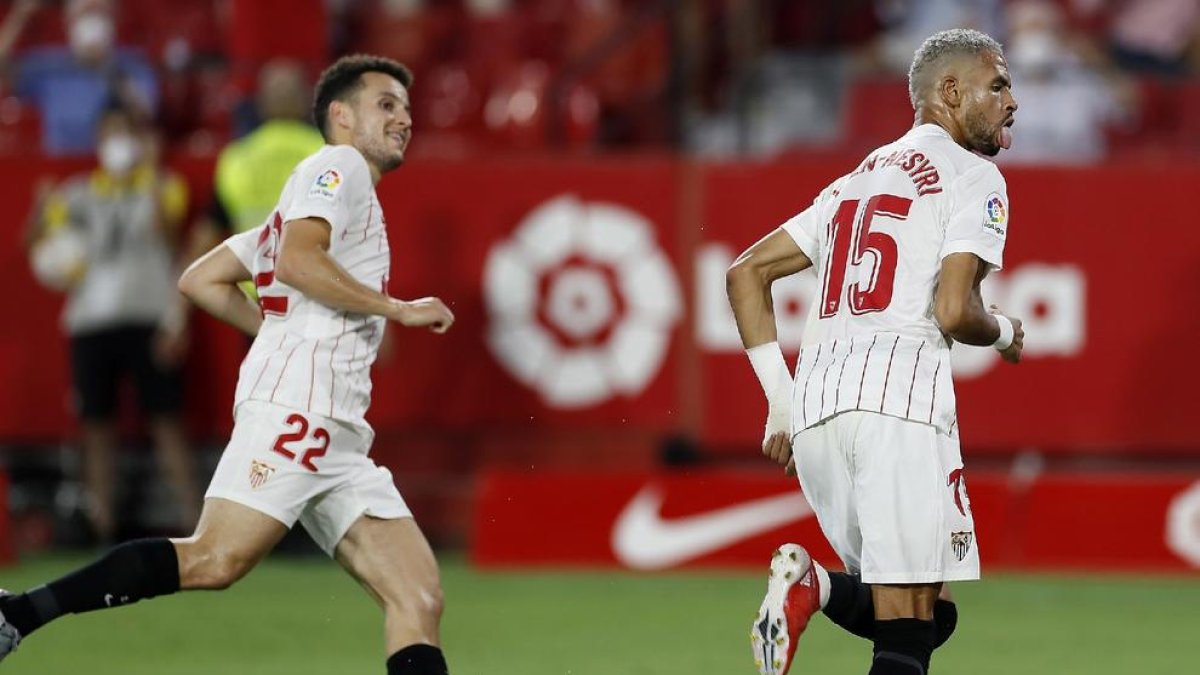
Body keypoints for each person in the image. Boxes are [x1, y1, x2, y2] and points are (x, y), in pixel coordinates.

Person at [0, 54, 456, 675]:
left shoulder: (301, 207)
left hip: (341, 433)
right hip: (301, 409)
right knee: (215, 559)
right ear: (341, 116)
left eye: (406, 106)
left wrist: (276, 328)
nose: (404, 118)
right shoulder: (338, 165)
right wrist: (395, 309)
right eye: (386, 104)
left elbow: (201, 279)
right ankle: (16, 615)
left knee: (418, 596)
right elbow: (296, 262)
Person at [726, 29, 1023, 675]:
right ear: (950, 91)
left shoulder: (852, 181)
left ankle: (817, 587)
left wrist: (783, 400)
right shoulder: (976, 176)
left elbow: (745, 272)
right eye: (997, 84)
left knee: (929, 612)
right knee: (909, 625)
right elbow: (954, 311)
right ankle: (814, 584)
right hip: (898, 404)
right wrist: (1003, 331)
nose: (1012, 101)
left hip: (820, 413)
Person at [24, 103, 197, 544]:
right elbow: (34, 245)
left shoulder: (164, 186)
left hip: (148, 317)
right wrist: (39, 211)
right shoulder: (77, 192)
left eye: (124, 133)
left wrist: (153, 171)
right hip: (90, 321)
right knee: (96, 425)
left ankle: (196, 523)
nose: (116, 143)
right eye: (108, 134)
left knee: (166, 420)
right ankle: (101, 524)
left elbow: (168, 236)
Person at [0, 0, 158, 155]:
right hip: (61, 165)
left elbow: (146, 113)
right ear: (69, 22)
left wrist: (107, 68)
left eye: (100, 14)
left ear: (114, 19)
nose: (92, 22)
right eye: (85, 13)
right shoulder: (51, 65)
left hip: (114, 169)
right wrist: (19, 17)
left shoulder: (134, 64)